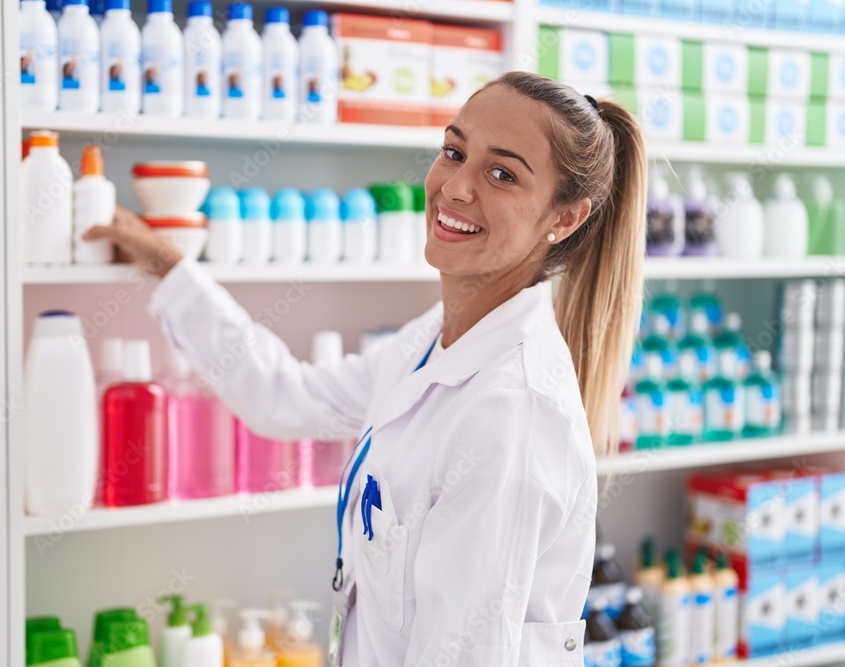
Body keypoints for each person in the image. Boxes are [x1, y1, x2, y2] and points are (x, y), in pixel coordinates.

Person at [84, 71, 646, 665]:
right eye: (454, 152)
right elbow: (286, 396)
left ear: (565, 217)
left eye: (502, 173)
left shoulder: (511, 414)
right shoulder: (430, 343)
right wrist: (167, 263)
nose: (455, 186)